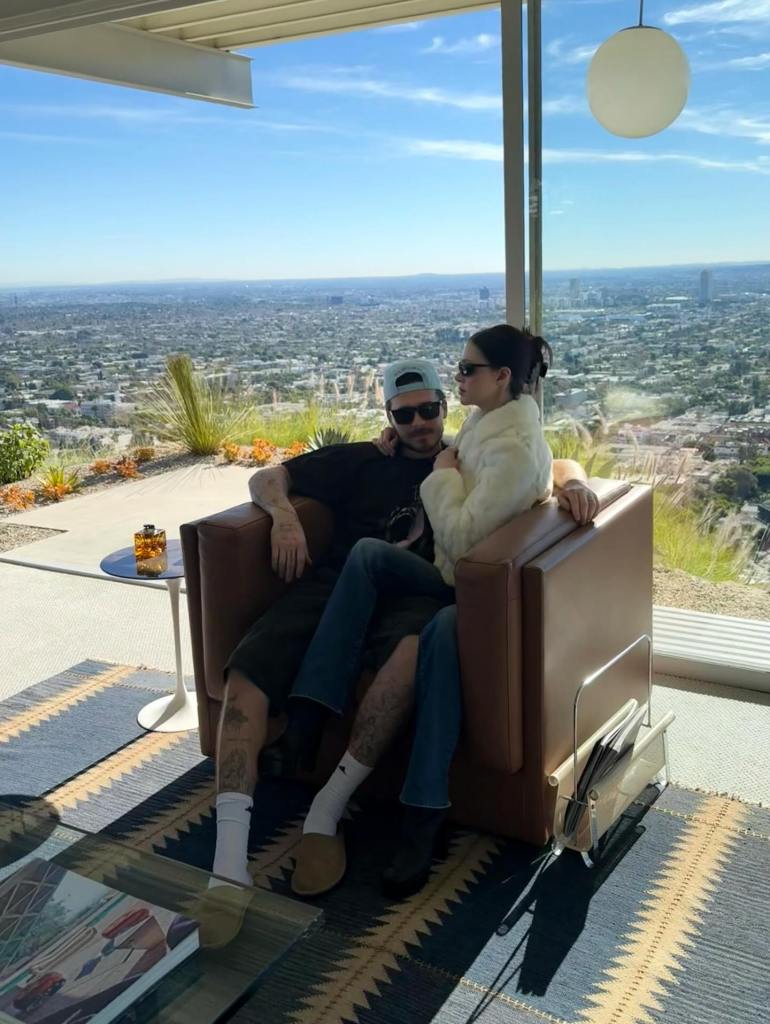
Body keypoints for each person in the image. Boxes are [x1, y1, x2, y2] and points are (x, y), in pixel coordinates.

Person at [208, 355, 599, 899]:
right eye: (405, 415)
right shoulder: (362, 459)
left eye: (430, 411)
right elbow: (268, 476)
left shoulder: (465, 455)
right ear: (389, 417)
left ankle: (327, 809)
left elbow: (550, 464)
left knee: (409, 656)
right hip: (331, 586)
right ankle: (228, 858)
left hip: (411, 594)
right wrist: (285, 516)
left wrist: (575, 482)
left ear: (444, 407)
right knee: (248, 671)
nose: (420, 425)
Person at [287, 325, 559, 898]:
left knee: (440, 634)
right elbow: (466, 465)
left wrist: (440, 478)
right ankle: (311, 711)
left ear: (501, 377)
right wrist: (425, 451)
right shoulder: (490, 421)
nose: (458, 378)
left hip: (480, 592)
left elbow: (461, 537)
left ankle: (423, 812)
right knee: (366, 555)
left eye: (466, 370)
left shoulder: (512, 443)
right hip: (449, 574)